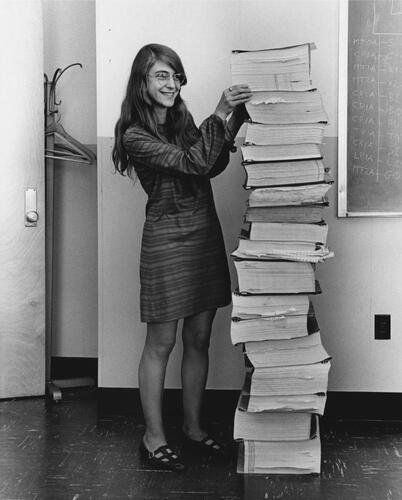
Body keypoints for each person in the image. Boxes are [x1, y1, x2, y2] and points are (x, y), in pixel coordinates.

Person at [112, 43, 251, 471]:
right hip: (166, 240)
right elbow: (192, 161)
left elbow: (208, 165)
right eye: (161, 76)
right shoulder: (134, 134)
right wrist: (220, 111)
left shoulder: (181, 119)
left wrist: (237, 117)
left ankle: (192, 427)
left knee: (197, 340)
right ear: (142, 81)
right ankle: (153, 438)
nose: (171, 84)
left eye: (174, 76)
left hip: (201, 233)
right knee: (162, 343)